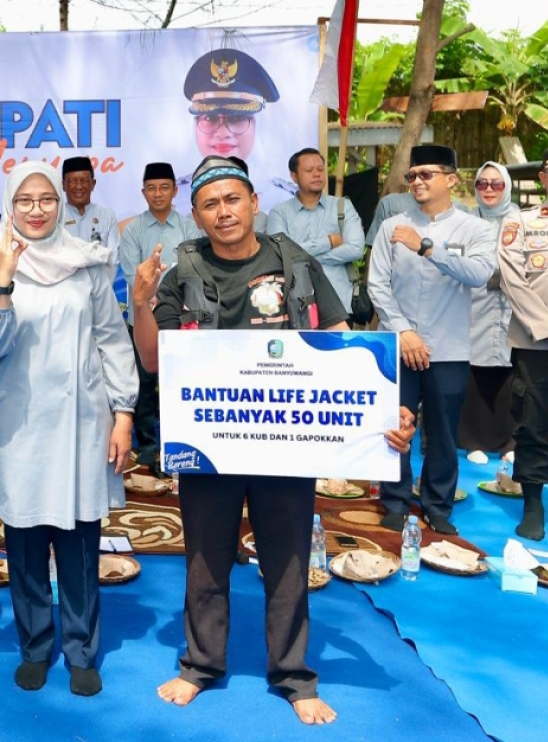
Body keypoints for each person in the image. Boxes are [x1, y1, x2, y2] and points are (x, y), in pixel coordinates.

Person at [133, 155, 415, 726]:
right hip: (209, 444)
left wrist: (385, 409)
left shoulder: (294, 263)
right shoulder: (183, 272)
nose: (223, 212)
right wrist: (141, 302)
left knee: (287, 562)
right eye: (210, 204)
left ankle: (293, 675)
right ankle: (200, 665)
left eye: (232, 199)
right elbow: (153, 359)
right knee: (205, 560)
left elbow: (341, 342)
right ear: (197, 216)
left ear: (254, 203)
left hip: (286, 444)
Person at [0, 162, 136, 696]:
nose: (36, 210)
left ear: (60, 205)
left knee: (81, 541)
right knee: (26, 541)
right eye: (24, 201)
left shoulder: (87, 263)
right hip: (18, 427)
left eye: (46, 199)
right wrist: (5, 280)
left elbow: (112, 339)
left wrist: (124, 413)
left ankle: (81, 650)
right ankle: (35, 646)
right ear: (9, 207)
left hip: (82, 423)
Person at [367, 144, 496, 535]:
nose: (417, 181)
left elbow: (479, 274)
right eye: (412, 175)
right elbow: (377, 285)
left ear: (451, 179)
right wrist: (403, 331)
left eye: (426, 174)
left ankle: (438, 506)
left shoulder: (476, 229)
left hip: (448, 348)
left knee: (442, 432)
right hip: (398, 346)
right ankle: (394, 500)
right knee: (394, 426)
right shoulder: (392, 227)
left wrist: (426, 247)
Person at [498, 144, 548, 541]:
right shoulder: (521, 222)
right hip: (537, 344)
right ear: (544, 178)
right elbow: (513, 280)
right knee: (533, 424)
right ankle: (533, 503)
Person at [118, 162, 201, 473]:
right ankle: (148, 450)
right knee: (144, 385)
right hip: (143, 317)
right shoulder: (133, 231)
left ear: (175, 191)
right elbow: (132, 275)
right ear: (143, 192)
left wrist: (168, 298)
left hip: (181, 318)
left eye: (164, 187)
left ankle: (178, 445)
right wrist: (153, 297)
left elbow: (194, 270)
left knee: (179, 383)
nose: (158, 193)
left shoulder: (189, 228)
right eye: (151, 188)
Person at [177, 49, 294, 213]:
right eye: (210, 118)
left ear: (255, 124)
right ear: (195, 125)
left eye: (237, 118)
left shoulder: (282, 200)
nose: (223, 133)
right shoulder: (174, 201)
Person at [459, 161, 520, 465]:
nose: (489, 189)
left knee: (511, 376)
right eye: (482, 183)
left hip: (514, 309)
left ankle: (510, 442)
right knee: (476, 373)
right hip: (475, 307)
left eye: (496, 184)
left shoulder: (521, 220)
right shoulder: (465, 221)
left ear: (507, 186)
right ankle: (473, 441)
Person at [266, 148, 365, 310]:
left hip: (340, 301)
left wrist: (306, 258)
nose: (317, 174)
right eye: (309, 170)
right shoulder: (279, 212)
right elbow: (280, 253)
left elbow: (355, 249)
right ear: (294, 176)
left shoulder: (342, 206)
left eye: (320, 169)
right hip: (296, 304)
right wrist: (327, 242)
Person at [60, 156, 119, 273]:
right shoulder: (55, 217)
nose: (79, 186)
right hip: (66, 284)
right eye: (72, 181)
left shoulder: (107, 216)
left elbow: (113, 259)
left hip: (101, 284)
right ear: (63, 185)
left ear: (93, 184)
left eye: (84, 181)